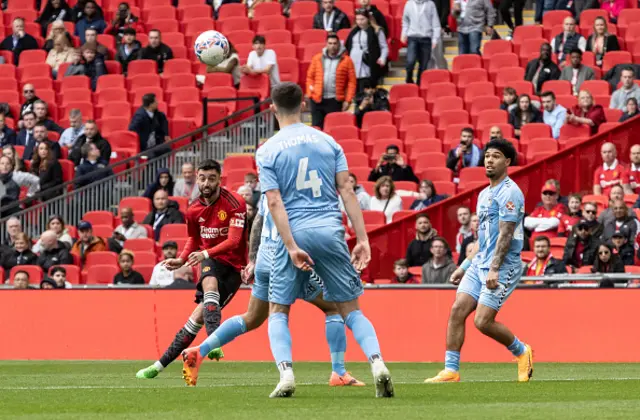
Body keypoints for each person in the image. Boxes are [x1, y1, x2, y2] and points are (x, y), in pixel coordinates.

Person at [233, 82, 393, 398]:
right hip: (330, 230)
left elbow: (274, 202)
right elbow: (348, 190)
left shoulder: (267, 149)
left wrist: (291, 246)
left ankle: (287, 375)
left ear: (271, 109)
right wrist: (361, 239)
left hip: (295, 233)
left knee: (278, 309)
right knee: (351, 309)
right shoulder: (328, 141)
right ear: (304, 105)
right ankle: (378, 364)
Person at [179, 192, 367, 388]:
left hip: (264, 261)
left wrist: (253, 259)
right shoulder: (301, 190)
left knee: (252, 318)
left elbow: (258, 223)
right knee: (333, 308)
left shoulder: (270, 189)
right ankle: (337, 372)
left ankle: (199, 351)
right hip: (288, 262)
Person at [425, 138, 532, 383]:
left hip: (503, 265)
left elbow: (505, 234)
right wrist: (464, 265)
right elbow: (483, 239)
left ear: (507, 162)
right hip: (479, 262)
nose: (489, 160)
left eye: (495, 156)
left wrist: (494, 268)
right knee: (457, 310)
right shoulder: (484, 194)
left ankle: (521, 351)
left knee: (482, 322)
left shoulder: (510, 192)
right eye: (487, 156)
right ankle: (451, 370)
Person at [136, 160, 246, 381]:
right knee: (209, 285)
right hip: (210, 260)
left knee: (196, 319)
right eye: (202, 178)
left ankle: (160, 365)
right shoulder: (194, 208)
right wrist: (182, 259)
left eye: (212, 178)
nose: (206, 183)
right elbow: (194, 238)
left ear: (219, 179)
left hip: (234, 267)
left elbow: (234, 241)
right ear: (197, 178)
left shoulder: (235, 203)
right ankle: (214, 342)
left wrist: (203, 254)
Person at [306, 33, 357, 129]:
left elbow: (351, 82)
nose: (332, 46)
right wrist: (310, 93)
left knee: (333, 128)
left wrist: (348, 100)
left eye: (334, 43)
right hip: (317, 100)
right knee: (316, 128)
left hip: (335, 100)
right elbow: (310, 77)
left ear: (338, 44)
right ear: (326, 44)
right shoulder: (317, 58)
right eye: (330, 43)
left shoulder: (347, 60)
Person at [346, 9, 389, 92]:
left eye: (362, 19)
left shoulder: (377, 31)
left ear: (368, 19)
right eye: (357, 19)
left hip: (368, 66)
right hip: (354, 65)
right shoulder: (353, 32)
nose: (359, 22)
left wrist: (382, 58)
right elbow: (347, 46)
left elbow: (384, 47)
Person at [401, 0, 441, 85]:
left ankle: (419, 85)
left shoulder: (430, 4)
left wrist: (435, 39)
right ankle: (409, 78)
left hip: (426, 38)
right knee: (410, 61)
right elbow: (405, 21)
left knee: (424, 65)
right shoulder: (409, 3)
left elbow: (436, 24)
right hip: (413, 37)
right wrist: (404, 33)